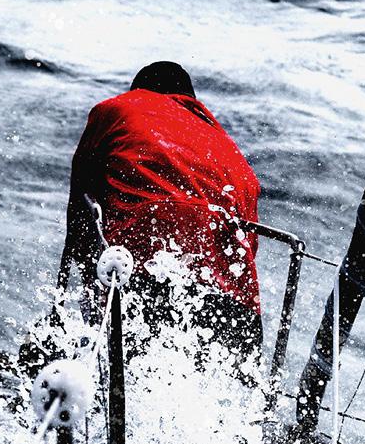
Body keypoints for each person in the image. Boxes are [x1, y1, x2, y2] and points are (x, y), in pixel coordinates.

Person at [24, 62, 262, 378]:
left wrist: (62, 307)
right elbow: (247, 247)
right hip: (237, 312)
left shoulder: (116, 110)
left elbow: (81, 210)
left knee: (117, 379)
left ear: (138, 91)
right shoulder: (233, 154)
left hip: (142, 275)